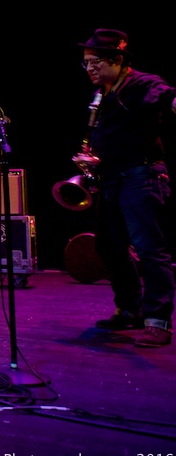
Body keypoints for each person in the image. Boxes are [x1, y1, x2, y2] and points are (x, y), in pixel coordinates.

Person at [80, 29, 176, 348]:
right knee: (108, 245)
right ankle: (130, 309)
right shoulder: (103, 94)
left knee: (150, 248)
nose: (90, 68)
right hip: (111, 177)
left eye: (96, 62)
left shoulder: (143, 84)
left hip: (141, 174)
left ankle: (158, 321)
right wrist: (94, 158)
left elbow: (167, 96)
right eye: (86, 63)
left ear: (118, 60)